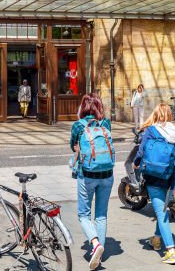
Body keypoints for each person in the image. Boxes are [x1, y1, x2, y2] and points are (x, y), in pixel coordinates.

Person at [135, 103, 175, 265]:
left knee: (162, 214)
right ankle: (156, 240)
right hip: (170, 177)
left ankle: (170, 251)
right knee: (162, 209)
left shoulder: (150, 131)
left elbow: (141, 152)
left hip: (154, 178)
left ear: (155, 114)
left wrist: (136, 163)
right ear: (170, 115)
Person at [70, 94, 115, 270]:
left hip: (87, 174)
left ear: (83, 107)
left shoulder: (78, 125)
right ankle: (99, 255)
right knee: (101, 215)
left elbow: (73, 145)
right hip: (107, 173)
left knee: (83, 214)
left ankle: (95, 244)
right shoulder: (106, 123)